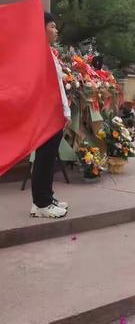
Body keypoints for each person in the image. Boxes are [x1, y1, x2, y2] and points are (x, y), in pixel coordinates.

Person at [30, 13, 70, 219]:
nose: (56, 31)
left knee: (47, 156)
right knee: (45, 157)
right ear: (42, 28)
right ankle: (42, 203)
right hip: (47, 114)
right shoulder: (37, 53)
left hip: (53, 113)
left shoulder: (48, 52)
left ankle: (44, 198)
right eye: (52, 26)